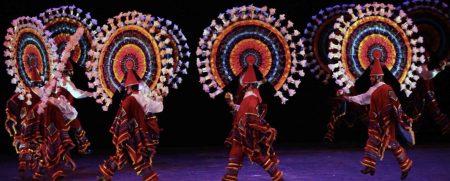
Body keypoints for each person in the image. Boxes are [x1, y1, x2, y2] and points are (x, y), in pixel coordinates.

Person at [343, 53, 413, 180]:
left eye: (372, 77)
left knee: (392, 144)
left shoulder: (387, 88)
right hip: (376, 121)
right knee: (372, 141)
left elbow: (396, 104)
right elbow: (362, 99)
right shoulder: (372, 90)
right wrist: (348, 98)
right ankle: (370, 166)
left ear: (377, 77)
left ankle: (405, 166)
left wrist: (403, 117)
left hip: (386, 122)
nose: (370, 79)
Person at [222, 56, 283, 181]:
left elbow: (249, 114)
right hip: (240, 131)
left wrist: (249, 128)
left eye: (243, 84)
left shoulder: (252, 96)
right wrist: (231, 104)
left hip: (248, 132)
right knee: (235, 155)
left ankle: (277, 176)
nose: (241, 86)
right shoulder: (248, 96)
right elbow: (242, 111)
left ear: (247, 85)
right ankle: (230, 178)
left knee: (257, 155)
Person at [98, 65, 163, 181]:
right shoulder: (143, 98)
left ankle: (105, 176)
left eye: (126, 88)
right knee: (137, 156)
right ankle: (150, 179)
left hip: (127, 133)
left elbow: (121, 117)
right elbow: (159, 108)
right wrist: (160, 99)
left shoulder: (127, 100)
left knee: (124, 155)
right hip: (138, 133)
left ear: (129, 88)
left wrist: (122, 132)